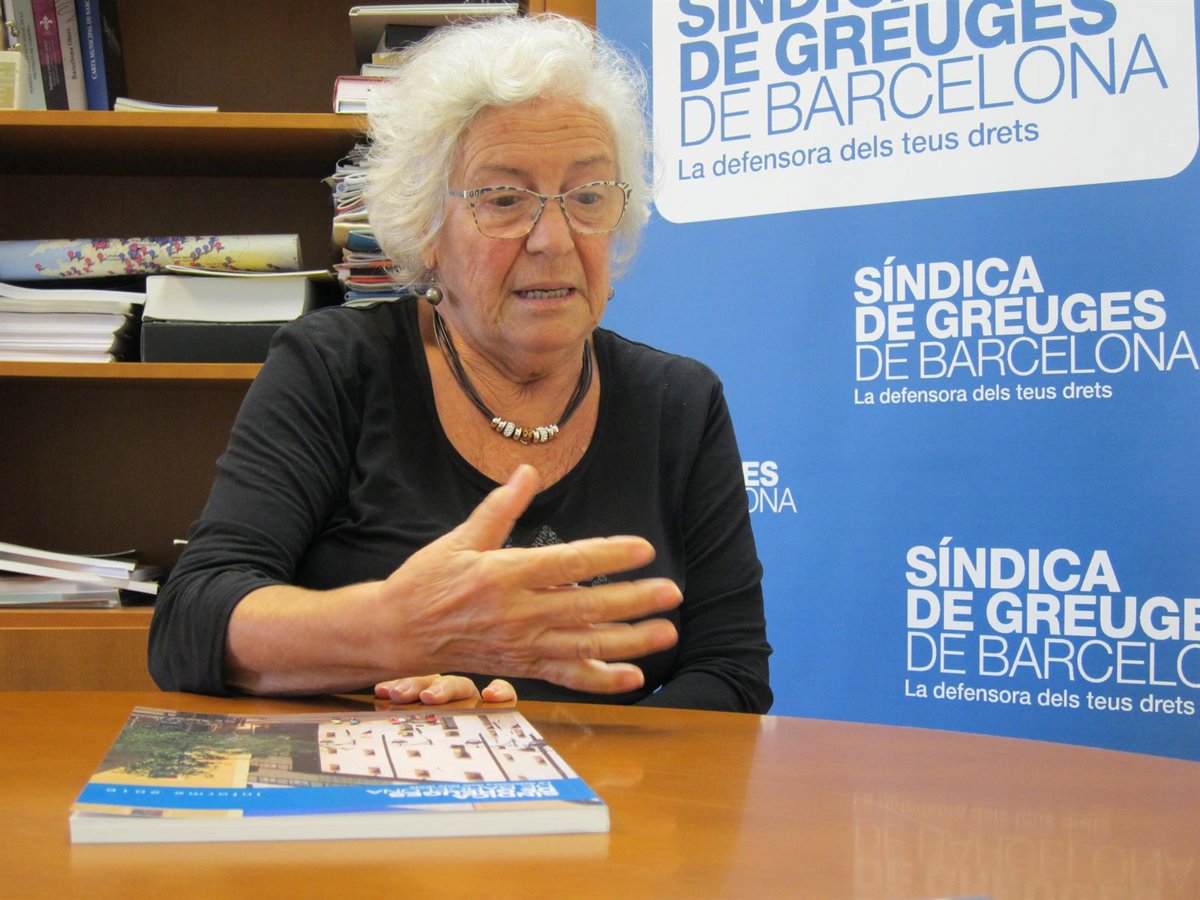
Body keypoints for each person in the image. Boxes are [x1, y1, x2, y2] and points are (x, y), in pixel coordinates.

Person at [147, 14, 772, 713]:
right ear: (426, 229)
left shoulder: (679, 401)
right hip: (375, 774)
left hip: (606, 783)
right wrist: (397, 630)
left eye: (588, 197)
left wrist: (577, 759)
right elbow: (190, 624)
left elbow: (731, 672)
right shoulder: (336, 367)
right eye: (503, 199)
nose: (553, 238)